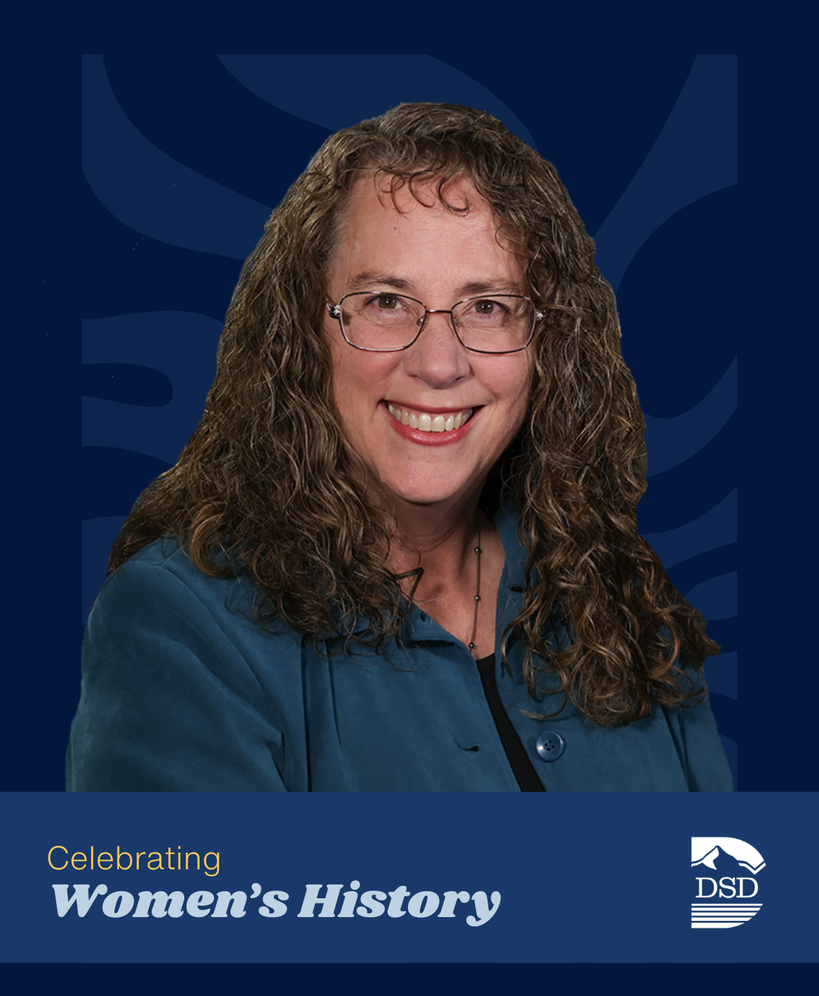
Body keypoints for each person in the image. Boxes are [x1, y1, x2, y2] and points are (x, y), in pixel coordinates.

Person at [68, 102, 732, 792]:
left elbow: (726, 896)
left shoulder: (613, 593)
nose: (439, 364)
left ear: (548, 345)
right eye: (386, 301)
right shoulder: (178, 625)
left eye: (488, 306)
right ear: (302, 329)